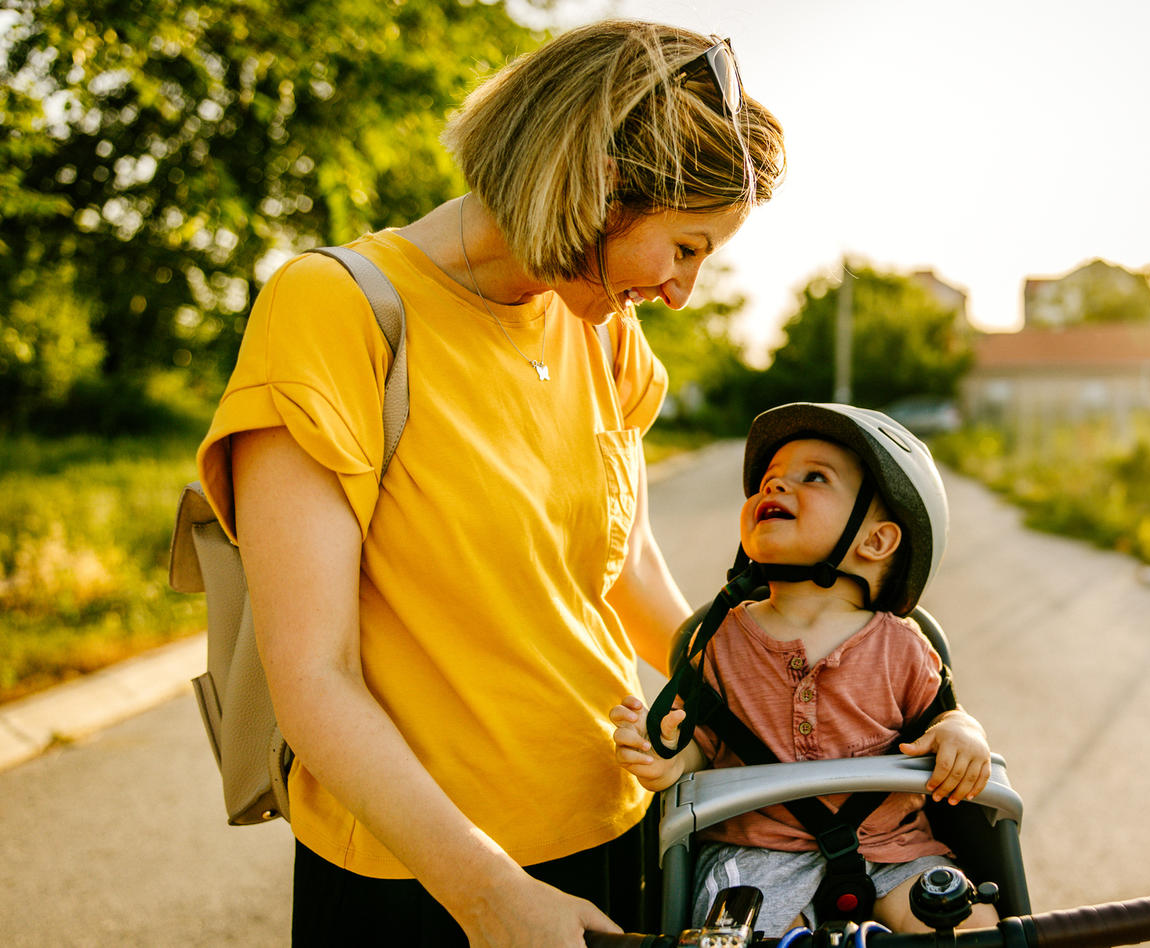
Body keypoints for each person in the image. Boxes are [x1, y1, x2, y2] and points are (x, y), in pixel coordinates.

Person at [192, 20, 783, 946]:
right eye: (686, 247)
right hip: (422, 880)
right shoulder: (336, 310)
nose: (683, 291)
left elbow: (628, 581)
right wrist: (488, 895)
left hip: (617, 828)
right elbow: (312, 677)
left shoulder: (601, 330)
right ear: (599, 187)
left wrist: (817, 695)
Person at [609, 404, 999, 935]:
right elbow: (702, 744)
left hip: (893, 850)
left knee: (975, 926)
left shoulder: (903, 646)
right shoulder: (720, 640)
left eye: (813, 477)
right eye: (769, 481)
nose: (774, 488)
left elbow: (941, 720)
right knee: (739, 934)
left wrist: (961, 732)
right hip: (754, 854)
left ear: (877, 541)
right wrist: (669, 757)